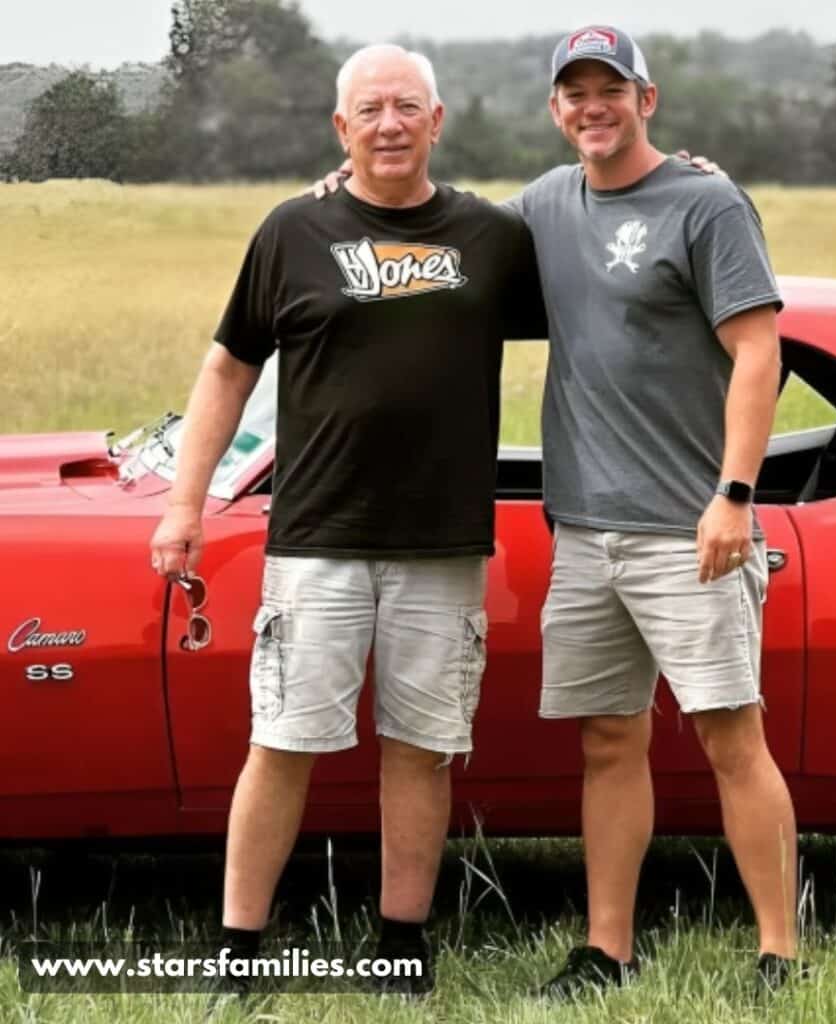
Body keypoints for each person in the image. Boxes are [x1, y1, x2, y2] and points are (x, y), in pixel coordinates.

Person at [319, 24, 800, 998]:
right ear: (555, 108)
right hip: (582, 530)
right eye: (574, 92)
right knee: (607, 739)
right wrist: (349, 191)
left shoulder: (704, 203)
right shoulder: (542, 207)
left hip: (688, 526)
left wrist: (733, 497)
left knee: (728, 737)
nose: (592, 106)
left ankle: (778, 953)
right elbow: (443, 238)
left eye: (609, 89)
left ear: (645, 99)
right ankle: (607, 948)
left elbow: (759, 352)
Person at [149, 43, 545, 995]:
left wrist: (680, 178)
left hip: (443, 545)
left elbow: (607, 288)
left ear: (438, 121)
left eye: (408, 106)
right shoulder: (291, 231)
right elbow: (226, 369)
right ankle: (241, 951)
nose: (390, 124)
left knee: (421, 749)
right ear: (341, 128)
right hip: (317, 538)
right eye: (369, 110)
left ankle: (401, 946)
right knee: (281, 741)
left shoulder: (494, 239)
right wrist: (184, 502)